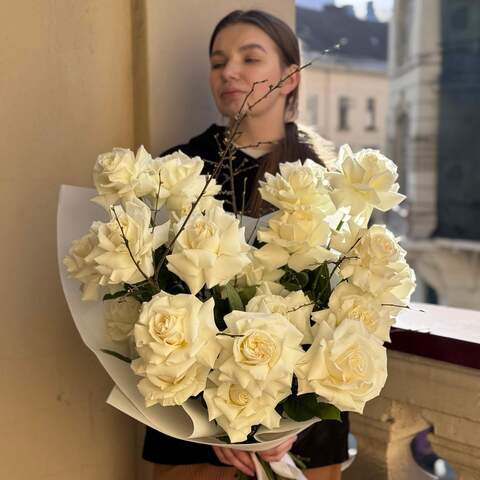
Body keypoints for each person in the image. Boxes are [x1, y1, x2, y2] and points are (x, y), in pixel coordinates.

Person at [142, 9, 350, 480]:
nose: (229, 72)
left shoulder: (330, 178)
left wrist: (285, 428)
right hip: (194, 427)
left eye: (249, 58)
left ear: (290, 76)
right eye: (218, 62)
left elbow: (348, 310)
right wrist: (218, 420)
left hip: (304, 426)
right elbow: (149, 306)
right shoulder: (177, 170)